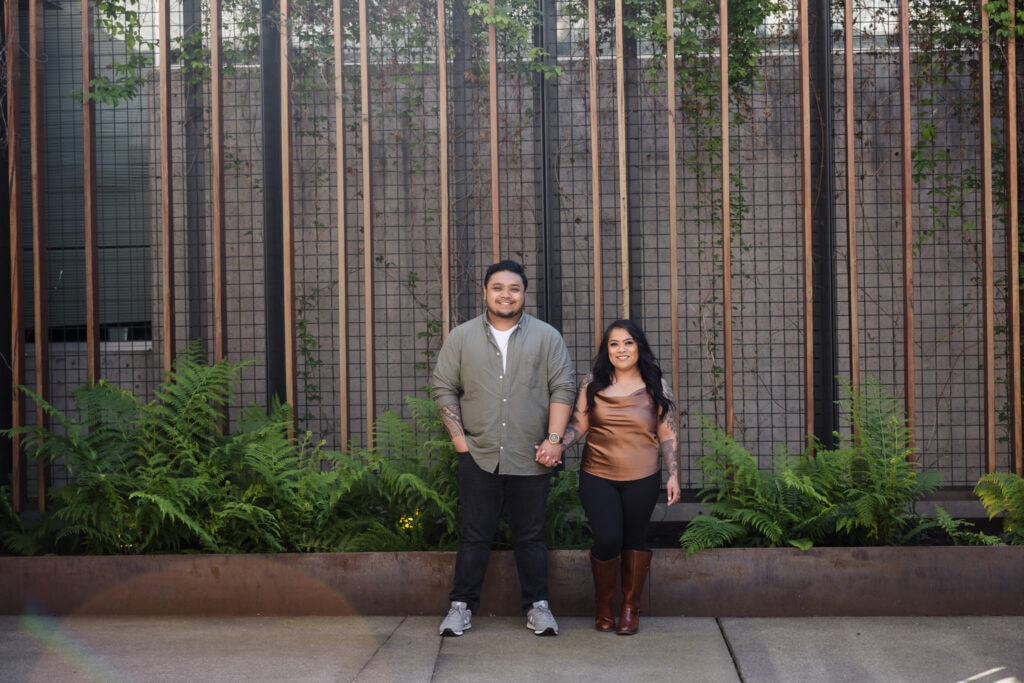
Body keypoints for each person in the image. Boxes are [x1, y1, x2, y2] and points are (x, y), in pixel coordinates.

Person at [432, 259, 576, 637]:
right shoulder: (461, 337)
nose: (506, 295)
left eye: (514, 288)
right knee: (474, 534)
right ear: (485, 292)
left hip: (531, 454)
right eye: (498, 287)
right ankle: (461, 607)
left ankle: (538, 607)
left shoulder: (547, 337)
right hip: (478, 454)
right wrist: (460, 441)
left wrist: (555, 441)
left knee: (531, 536)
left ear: (524, 293)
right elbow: (444, 387)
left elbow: (563, 387)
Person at [559, 319, 680, 635]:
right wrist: (555, 445)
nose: (621, 349)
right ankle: (603, 606)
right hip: (597, 474)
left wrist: (673, 474)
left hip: (643, 476)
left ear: (638, 346)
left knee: (634, 540)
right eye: (614, 344)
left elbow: (667, 433)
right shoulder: (593, 382)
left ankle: (630, 608)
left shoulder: (657, 384)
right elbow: (578, 425)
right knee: (608, 538)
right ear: (606, 350)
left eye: (628, 342)